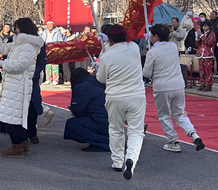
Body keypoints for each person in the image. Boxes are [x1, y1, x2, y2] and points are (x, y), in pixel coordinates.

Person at [143, 24, 205, 154]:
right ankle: (193, 134)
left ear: (156, 36)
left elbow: (146, 73)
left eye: (151, 35)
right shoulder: (173, 47)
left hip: (162, 87)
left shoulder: (152, 52)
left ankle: (173, 141)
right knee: (179, 114)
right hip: (178, 84)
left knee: (164, 116)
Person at [96, 24, 147, 180]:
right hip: (136, 94)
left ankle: (117, 161)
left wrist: (102, 52)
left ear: (109, 38)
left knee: (115, 129)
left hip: (115, 96)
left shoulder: (106, 55)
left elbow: (101, 79)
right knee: (136, 131)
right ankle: (131, 157)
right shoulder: (133, 48)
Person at [0, 17, 44, 158]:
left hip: (19, 86)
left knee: (14, 117)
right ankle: (22, 144)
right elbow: (2, 48)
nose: (15, 30)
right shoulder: (18, 43)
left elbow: (20, 65)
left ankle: (17, 146)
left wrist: (2, 63)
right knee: (12, 116)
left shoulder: (28, 46)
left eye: (17, 27)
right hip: (13, 85)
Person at [63, 67, 109, 152]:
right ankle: (108, 141)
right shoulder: (98, 82)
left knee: (72, 124)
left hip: (100, 122)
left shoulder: (81, 86)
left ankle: (103, 143)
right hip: (112, 120)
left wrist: (72, 109)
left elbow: (78, 110)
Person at [27, 39, 49, 144]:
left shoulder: (38, 42)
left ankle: (32, 132)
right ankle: (21, 136)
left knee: (33, 106)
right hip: (18, 78)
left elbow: (41, 61)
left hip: (33, 78)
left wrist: (34, 73)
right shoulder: (13, 39)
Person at [195, 20, 217, 92]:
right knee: (201, 70)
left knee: (208, 70)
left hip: (208, 55)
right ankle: (202, 83)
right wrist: (197, 38)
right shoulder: (202, 33)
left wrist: (202, 36)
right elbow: (198, 44)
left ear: (209, 27)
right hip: (201, 54)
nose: (204, 28)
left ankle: (209, 84)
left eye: (206, 26)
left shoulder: (212, 34)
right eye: (203, 26)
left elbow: (209, 43)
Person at [42, 20, 65, 85]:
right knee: (47, 65)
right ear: (47, 26)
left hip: (54, 49)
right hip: (46, 49)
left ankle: (55, 79)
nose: (50, 26)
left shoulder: (57, 32)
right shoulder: (44, 32)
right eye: (49, 25)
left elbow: (61, 41)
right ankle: (48, 79)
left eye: (51, 25)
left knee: (55, 65)